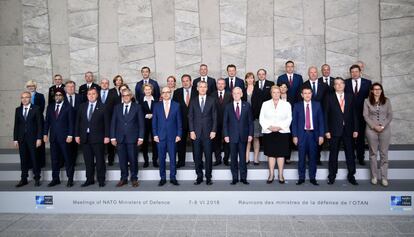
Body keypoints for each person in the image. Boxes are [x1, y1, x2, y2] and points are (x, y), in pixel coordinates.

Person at [325, 78, 359, 185]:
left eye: (341, 83)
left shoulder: (350, 96)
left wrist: (356, 129)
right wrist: (327, 130)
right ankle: (332, 176)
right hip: (334, 130)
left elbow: (354, 113)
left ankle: (351, 175)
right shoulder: (329, 97)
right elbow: (325, 115)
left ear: (344, 85)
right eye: (336, 84)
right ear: (334, 86)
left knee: (350, 153)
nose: (339, 85)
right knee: (333, 154)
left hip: (348, 130)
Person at [75, 88, 110, 187]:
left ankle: (101, 179)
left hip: (99, 138)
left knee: (100, 160)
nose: (91, 95)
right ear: (87, 95)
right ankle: (89, 179)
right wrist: (77, 135)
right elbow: (78, 122)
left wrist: (107, 136)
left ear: (97, 95)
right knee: (88, 160)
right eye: (89, 94)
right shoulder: (82, 106)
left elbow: (107, 123)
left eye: (93, 94)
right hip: (85, 138)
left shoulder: (103, 107)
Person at [110, 89, 145, 188]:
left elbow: (141, 124)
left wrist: (141, 137)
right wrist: (112, 137)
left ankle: (134, 178)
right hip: (119, 138)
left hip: (133, 138)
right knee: (122, 160)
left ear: (131, 96)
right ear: (122, 96)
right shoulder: (117, 107)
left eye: (127, 95)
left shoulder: (137, 107)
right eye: (124, 95)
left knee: (133, 159)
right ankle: (123, 178)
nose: (126, 97)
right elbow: (113, 123)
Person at [292, 87, 325, 186]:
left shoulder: (317, 105)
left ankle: (312, 178)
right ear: (302, 95)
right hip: (301, 135)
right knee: (301, 157)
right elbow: (294, 122)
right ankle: (301, 178)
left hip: (313, 135)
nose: (307, 95)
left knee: (313, 158)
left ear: (312, 94)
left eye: (309, 93)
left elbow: (321, 121)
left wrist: (321, 135)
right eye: (305, 93)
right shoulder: (297, 106)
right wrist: (294, 136)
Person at [259, 86, 292, 184]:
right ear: (271, 93)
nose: (276, 94)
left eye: (278, 92)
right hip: (269, 132)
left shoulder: (286, 104)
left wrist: (279, 127)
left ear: (280, 93)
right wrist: (269, 127)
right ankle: (271, 174)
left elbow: (289, 118)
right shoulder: (265, 104)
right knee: (271, 154)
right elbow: (262, 118)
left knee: (281, 154)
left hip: (282, 132)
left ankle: (281, 175)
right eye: (274, 92)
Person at [43, 88, 75, 187]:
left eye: (60, 95)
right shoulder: (50, 107)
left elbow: (71, 123)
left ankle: (70, 179)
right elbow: (47, 122)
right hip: (53, 138)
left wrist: (70, 135)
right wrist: (45, 134)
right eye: (56, 95)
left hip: (65, 138)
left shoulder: (68, 107)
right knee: (54, 159)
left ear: (63, 96)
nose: (58, 96)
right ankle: (55, 179)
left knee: (67, 159)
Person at [363, 83, 393, 187]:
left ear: (381, 90)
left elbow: (390, 115)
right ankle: (374, 176)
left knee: (384, 154)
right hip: (371, 130)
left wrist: (383, 126)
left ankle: (384, 178)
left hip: (385, 130)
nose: (377, 91)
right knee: (373, 154)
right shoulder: (367, 101)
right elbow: (365, 115)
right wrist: (374, 126)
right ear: (371, 91)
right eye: (375, 89)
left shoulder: (387, 101)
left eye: (379, 89)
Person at [188, 81, 217, 185]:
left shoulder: (212, 100)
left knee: (208, 156)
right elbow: (190, 117)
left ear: (207, 88)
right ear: (197, 88)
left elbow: (215, 117)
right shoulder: (193, 100)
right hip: (195, 133)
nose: (203, 89)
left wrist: (214, 130)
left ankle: (208, 177)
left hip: (208, 133)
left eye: (205, 87)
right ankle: (199, 176)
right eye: (201, 87)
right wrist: (191, 131)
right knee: (197, 156)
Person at [152, 87, 182, 186]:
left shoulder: (176, 105)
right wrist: (155, 134)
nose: (165, 94)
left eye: (167, 92)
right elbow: (154, 122)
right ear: (161, 94)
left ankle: (173, 177)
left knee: (173, 158)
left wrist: (179, 134)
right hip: (160, 137)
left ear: (170, 93)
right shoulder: (156, 106)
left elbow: (179, 121)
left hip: (173, 136)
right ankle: (163, 178)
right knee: (161, 158)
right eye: (163, 92)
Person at [223, 87, 253, 185]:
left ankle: (243, 178)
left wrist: (250, 134)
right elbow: (225, 123)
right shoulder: (228, 106)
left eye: (238, 93)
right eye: (234, 93)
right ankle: (235, 178)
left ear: (241, 94)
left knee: (243, 158)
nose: (236, 95)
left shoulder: (247, 105)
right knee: (233, 158)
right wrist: (226, 135)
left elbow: (250, 122)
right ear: (232, 95)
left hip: (243, 136)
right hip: (232, 137)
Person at [13, 91, 43, 187]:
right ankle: (24, 178)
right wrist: (15, 139)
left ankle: (37, 178)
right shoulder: (18, 109)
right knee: (23, 159)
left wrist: (39, 138)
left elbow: (40, 125)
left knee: (34, 158)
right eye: (22, 97)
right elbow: (16, 125)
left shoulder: (36, 109)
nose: (24, 99)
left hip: (33, 138)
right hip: (21, 139)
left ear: (30, 98)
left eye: (26, 97)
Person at [301, 66, 329, 165]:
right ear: (308, 74)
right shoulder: (304, 84)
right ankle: (309, 157)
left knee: (318, 137)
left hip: (320, 114)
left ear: (317, 73)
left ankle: (317, 157)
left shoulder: (324, 85)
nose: (313, 74)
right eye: (311, 72)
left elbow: (327, 100)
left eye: (315, 72)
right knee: (309, 137)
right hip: (308, 114)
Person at [345, 64, 372, 165]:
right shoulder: (346, 82)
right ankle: (351, 157)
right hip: (349, 115)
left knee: (360, 137)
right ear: (350, 73)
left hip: (362, 114)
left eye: (356, 71)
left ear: (360, 72)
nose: (354, 74)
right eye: (352, 72)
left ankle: (361, 157)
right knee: (350, 137)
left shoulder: (367, 83)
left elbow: (370, 98)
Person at [172, 74, 197, 168]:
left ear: (190, 81)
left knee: (196, 143)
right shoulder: (177, 92)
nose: (185, 82)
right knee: (180, 143)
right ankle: (181, 161)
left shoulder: (196, 91)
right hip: (181, 122)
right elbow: (174, 108)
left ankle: (197, 161)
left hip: (194, 122)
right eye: (183, 81)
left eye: (187, 81)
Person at [251, 69, 274, 165]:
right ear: (257, 75)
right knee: (256, 136)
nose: (261, 75)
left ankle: (269, 158)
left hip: (267, 116)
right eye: (259, 74)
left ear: (265, 74)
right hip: (256, 115)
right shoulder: (254, 84)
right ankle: (256, 158)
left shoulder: (271, 83)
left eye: (263, 74)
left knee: (268, 136)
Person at [26, 80, 46, 168]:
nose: (31, 87)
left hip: (38, 121)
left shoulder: (40, 96)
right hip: (29, 123)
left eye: (32, 85)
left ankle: (41, 163)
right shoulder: (25, 96)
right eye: (29, 86)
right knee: (29, 144)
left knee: (39, 142)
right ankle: (30, 163)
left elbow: (41, 108)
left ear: (35, 86)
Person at [212, 78, 232, 166]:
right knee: (216, 142)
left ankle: (226, 159)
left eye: (222, 83)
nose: (220, 85)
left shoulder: (230, 95)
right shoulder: (212, 95)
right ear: (216, 85)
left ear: (225, 85)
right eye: (218, 83)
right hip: (215, 122)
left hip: (227, 122)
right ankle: (218, 159)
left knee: (227, 141)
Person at [140, 84, 159, 168]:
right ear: (143, 91)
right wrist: (145, 115)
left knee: (155, 142)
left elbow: (159, 111)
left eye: (149, 89)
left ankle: (155, 160)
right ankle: (146, 161)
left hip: (155, 124)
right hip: (144, 124)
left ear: (152, 90)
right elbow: (139, 112)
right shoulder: (140, 101)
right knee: (145, 143)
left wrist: (153, 115)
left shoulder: (157, 100)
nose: (148, 91)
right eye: (146, 89)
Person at [243, 72, 259, 165]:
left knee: (256, 138)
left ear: (254, 80)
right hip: (245, 118)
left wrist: (255, 115)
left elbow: (260, 105)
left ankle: (256, 159)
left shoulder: (258, 91)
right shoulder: (243, 91)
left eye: (251, 78)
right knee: (247, 138)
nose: (250, 79)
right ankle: (246, 158)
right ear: (246, 80)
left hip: (255, 118)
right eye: (248, 78)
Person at [64, 80, 82, 166]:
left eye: (72, 87)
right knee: (65, 145)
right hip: (65, 126)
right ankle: (66, 162)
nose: (71, 88)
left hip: (77, 125)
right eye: (68, 87)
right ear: (65, 88)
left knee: (74, 146)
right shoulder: (61, 98)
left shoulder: (80, 97)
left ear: (75, 88)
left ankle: (73, 162)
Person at [99, 78, 115, 166]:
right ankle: (100, 159)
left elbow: (116, 107)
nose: (104, 85)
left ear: (108, 85)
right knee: (99, 141)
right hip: (98, 122)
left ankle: (110, 159)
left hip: (110, 120)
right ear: (100, 84)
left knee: (110, 140)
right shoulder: (96, 93)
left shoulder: (113, 94)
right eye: (103, 83)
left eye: (106, 83)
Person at [278, 82, 294, 164]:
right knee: (280, 139)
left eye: (285, 87)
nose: (283, 88)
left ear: (287, 89)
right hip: (278, 122)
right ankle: (280, 156)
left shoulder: (291, 97)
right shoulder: (276, 97)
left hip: (289, 122)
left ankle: (287, 157)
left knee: (288, 139)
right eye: (281, 87)